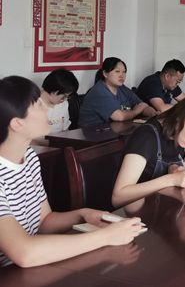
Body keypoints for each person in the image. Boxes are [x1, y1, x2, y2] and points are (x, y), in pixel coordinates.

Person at [0, 76, 143, 268]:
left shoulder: (29, 158)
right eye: (38, 105)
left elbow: (43, 221)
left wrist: (83, 214)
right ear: (17, 123)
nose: (47, 108)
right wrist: (106, 237)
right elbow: (24, 253)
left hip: (31, 267)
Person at [111, 94, 185, 208]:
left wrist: (175, 170)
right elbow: (118, 197)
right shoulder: (146, 137)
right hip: (132, 213)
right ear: (180, 117)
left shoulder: (184, 139)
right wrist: (172, 179)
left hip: (163, 210)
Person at [79, 57, 157, 127]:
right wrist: (136, 111)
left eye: (124, 72)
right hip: (93, 134)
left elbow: (143, 105)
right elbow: (119, 117)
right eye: (117, 71)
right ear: (105, 74)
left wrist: (154, 114)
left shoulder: (122, 88)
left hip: (116, 130)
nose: (121, 75)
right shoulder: (99, 91)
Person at [40, 68, 79, 133]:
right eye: (64, 96)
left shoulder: (64, 104)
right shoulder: (32, 105)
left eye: (67, 97)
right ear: (55, 91)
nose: (65, 99)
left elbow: (65, 131)